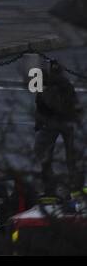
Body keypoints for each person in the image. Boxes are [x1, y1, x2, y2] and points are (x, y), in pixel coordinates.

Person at [34, 58, 81, 195]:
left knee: (43, 152)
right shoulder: (66, 84)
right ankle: (71, 182)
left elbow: (40, 105)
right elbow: (75, 103)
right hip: (63, 122)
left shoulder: (48, 84)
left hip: (52, 122)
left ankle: (50, 180)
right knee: (69, 154)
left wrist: (38, 123)